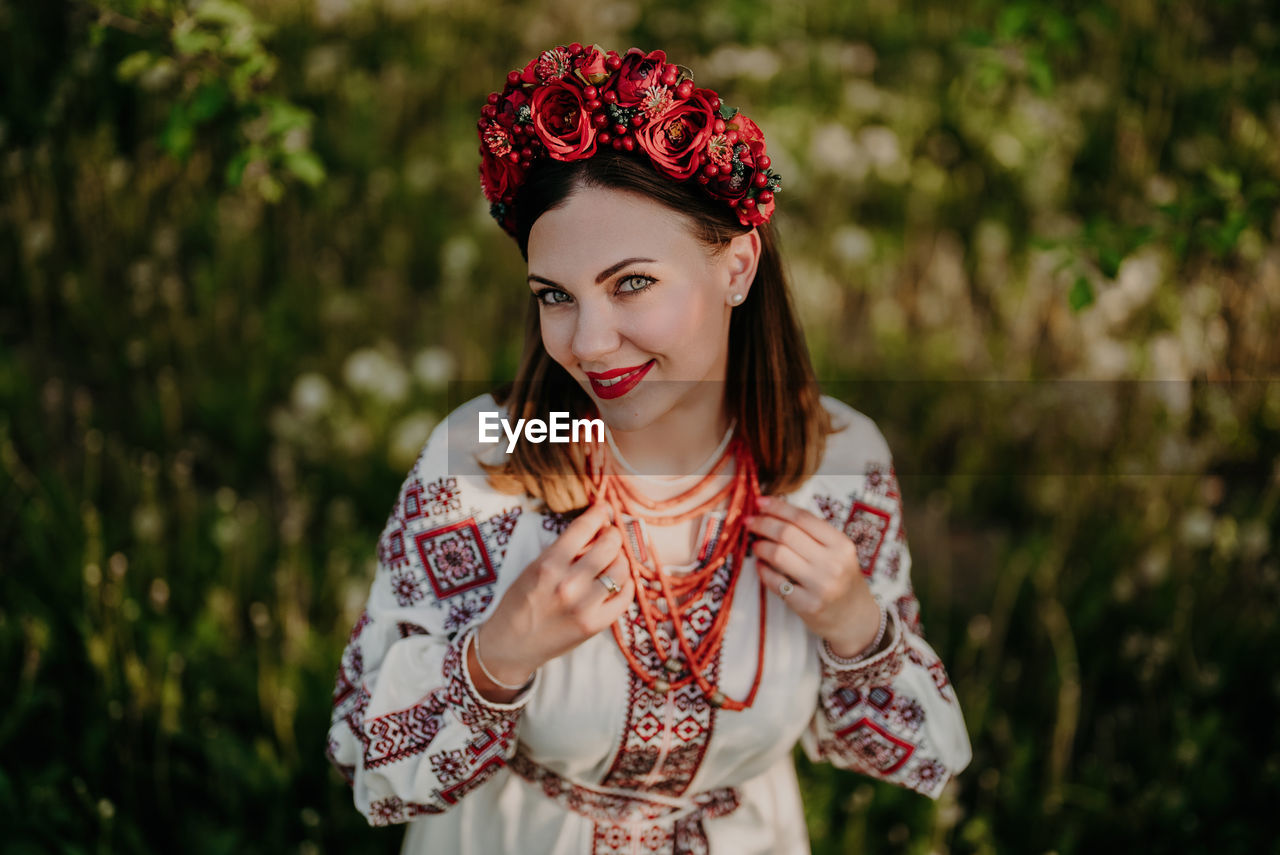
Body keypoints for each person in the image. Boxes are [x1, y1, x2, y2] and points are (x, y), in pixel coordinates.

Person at [326, 43, 973, 854]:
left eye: (632, 282)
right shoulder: (489, 460)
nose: (590, 344)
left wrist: (856, 626)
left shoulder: (834, 459)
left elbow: (914, 753)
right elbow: (364, 756)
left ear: (737, 265)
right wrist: (498, 657)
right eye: (555, 296)